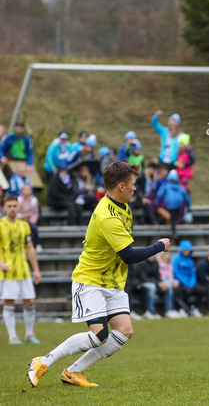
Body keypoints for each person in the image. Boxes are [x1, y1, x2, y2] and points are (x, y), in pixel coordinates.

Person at [27, 161, 171, 388]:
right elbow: (128, 255)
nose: (135, 188)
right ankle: (43, 361)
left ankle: (73, 372)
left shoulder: (123, 208)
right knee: (98, 335)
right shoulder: (107, 216)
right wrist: (159, 246)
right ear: (121, 186)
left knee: (124, 331)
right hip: (91, 280)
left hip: (111, 282)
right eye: (133, 184)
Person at [0, 194, 42, 345]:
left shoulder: (24, 225)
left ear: (18, 207)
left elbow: (29, 248)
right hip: (7, 272)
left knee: (30, 301)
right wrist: (1, 264)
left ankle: (29, 334)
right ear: (4, 208)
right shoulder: (1, 225)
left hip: (23, 269)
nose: (12, 209)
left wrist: (36, 269)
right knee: (9, 302)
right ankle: (12, 336)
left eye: (14, 206)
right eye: (9, 206)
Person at [156, 169, 192, 238]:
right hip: (178, 204)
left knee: (171, 216)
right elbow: (186, 196)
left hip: (169, 204)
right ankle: (174, 229)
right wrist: (189, 205)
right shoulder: (180, 186)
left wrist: (158, 201)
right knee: (175, 217)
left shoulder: (166, 185)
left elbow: (160, 194)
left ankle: (172, 231)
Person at [172, 240, 201, 318]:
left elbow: (193, 274)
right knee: (185, 291)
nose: (186, 252)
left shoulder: (190, 261)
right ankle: (182, 309)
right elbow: (176, 273)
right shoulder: (176, 259)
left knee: (201, 290)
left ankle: (194, 307)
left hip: (189, 283)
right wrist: (185, 283)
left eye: (188, 250)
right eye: (185, 250)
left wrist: (191, 283)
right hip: (181, 282)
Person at [17, 184, 42, 253]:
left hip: (31, 219)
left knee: (33, 228)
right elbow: (16, 212)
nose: (26, 191)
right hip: (21, 220)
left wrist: (33, 219)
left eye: (28, 190)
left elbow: (36, 213)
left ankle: (37, 244)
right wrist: (20, 216)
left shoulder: (34, 200)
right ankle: (23, 246)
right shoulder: (19, 199)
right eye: (25, 190)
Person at [157, 251, 180, 318]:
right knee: (169, 288)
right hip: (160, 285)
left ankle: (177, 309)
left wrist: (172, 282)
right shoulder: (158, 265)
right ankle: (169, 310)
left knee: (176, 288)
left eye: (167, 258)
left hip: (168, 283)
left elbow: (171, 277)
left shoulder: (170, 266)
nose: (166, 259)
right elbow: (160, 277)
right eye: (165, 257)